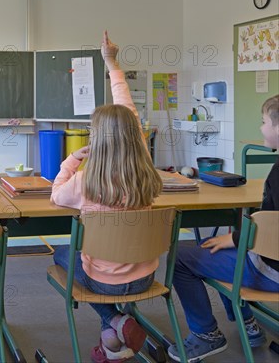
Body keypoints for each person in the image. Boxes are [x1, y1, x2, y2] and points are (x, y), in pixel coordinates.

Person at [50, 31, 163, 363]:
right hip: (147, 276)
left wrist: (71, 160)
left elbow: (57, 195)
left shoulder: (87, 180)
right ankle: (111, 341)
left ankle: (114, 319)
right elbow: (126, 109)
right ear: (135, 135)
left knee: (61, 254)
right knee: (94, 261)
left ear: (96, 139)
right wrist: (112, 62)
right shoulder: (145, 171)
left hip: (104, 283)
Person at [168, 94, 279, 362]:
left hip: (271, 273)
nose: (261, 127)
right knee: (220, 247)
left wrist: (239, 237)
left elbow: (270, 230)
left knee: (183, 257)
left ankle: (206, 335)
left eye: (264, 121)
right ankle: (248, 324)